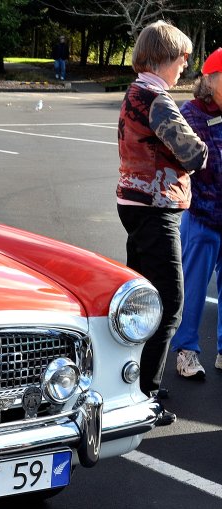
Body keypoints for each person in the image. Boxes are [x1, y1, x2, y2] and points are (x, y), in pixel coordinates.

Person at [116, 20, 208, 425]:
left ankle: (132, 383)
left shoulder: (135, 91)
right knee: (168, 303)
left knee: (139, 299)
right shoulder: (157, 97)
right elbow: (194, 154)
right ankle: (145, 396)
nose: (185, 68)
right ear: (164, 57)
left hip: (132, 200)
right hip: (155, 205)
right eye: (182, 59)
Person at [171, 48, 222, 380]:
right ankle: (186, 352)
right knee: (193, 287)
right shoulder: (191, 113)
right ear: (214, 79)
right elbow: (200, 164)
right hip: (203, 215)